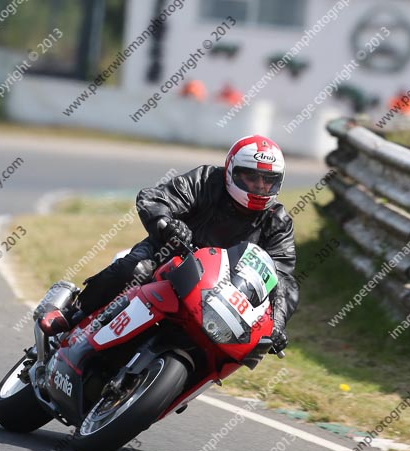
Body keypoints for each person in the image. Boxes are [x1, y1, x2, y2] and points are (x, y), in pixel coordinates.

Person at [40, 135, 298, 354]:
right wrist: (166, 223)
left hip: (220, 292)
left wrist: (277, 323)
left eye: (268, 180)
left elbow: (282, 275)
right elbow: (156, 197)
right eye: (252, 177)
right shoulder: (207, 180)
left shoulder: (277, 221)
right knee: (134, 269)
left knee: (240, 345)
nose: (260, 186)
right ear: (232, 172)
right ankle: (74, 316)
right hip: (168, 255)